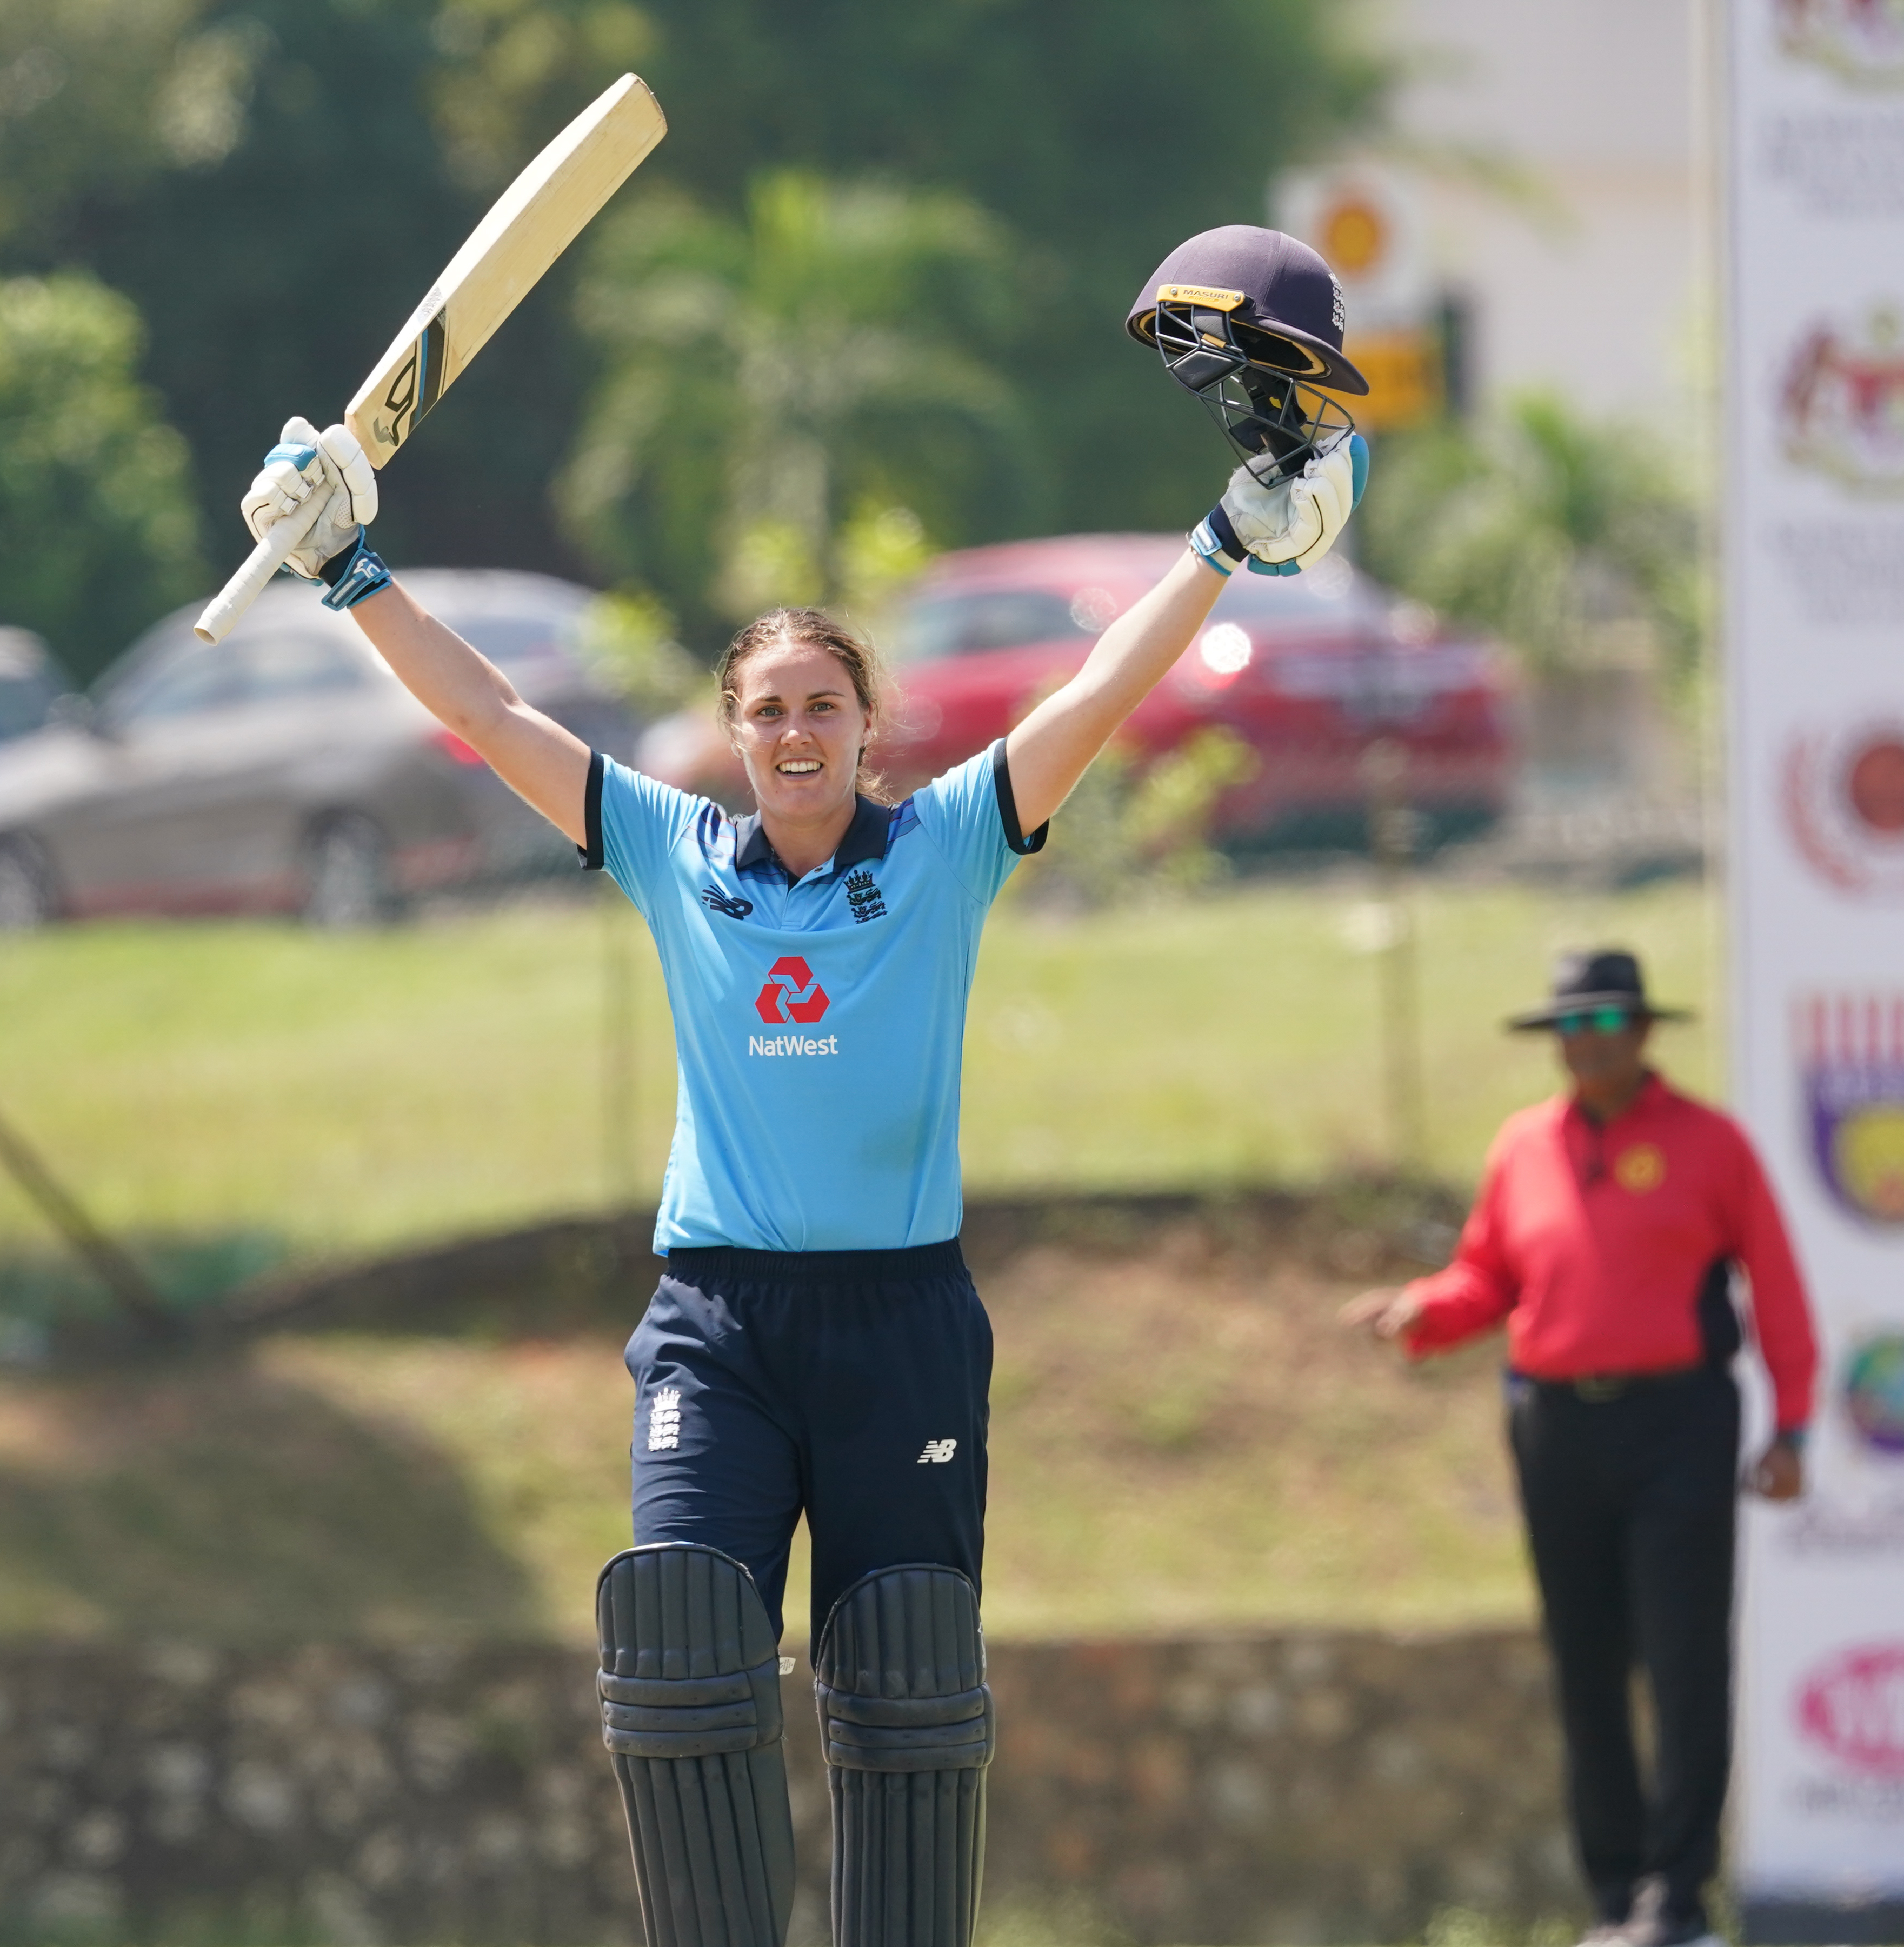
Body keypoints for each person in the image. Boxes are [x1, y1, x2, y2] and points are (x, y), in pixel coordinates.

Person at [235, 228, 1374, 1947]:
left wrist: (1225, 541)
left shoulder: (946, 850)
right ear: (732, 726)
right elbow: (485, 709)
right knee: (683, 1626)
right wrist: (345, 566)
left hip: (901, 1321)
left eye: (821, 708)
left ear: (865, 729)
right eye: (764, 708)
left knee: (906, 1686)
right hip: (720, 1319)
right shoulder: (669, 848)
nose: (791, 735)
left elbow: (1095, 686)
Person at [1340, 949, 1817, 1947]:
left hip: (1680, 1422)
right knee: (1585, 1661)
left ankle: (1677, 1897)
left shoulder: (1711, 1144)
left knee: (1685, 1659)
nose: (1587, 1042)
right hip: (1558, 1424)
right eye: (1571, 1026)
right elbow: (1490, 1277)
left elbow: (1776, 1286)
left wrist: (1795, 1426)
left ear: (1644, 1032)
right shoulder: (1524, 1147)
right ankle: (1615, 1893)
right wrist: (1423, 1312)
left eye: (1606, 1023)